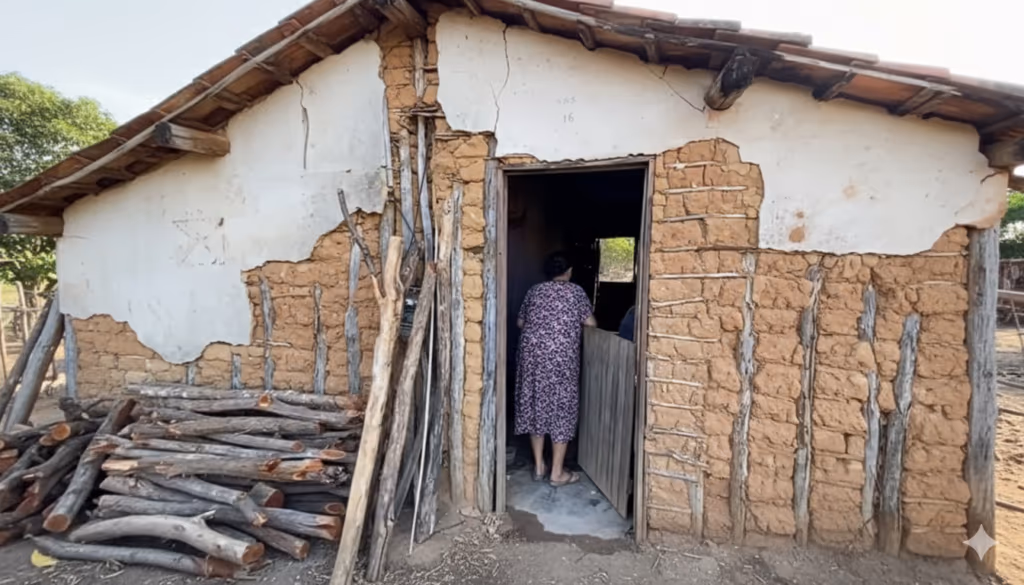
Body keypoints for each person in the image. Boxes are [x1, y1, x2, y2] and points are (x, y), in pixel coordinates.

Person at [515, 252, 597, 487]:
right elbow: (591, 323)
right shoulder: (576, 292)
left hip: (533, 359)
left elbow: (521, 323)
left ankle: (540, 466)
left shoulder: (534, 291)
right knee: (562, 409)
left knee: (537, 405)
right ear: (569, 271)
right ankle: (557, 473)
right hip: (561, 361)